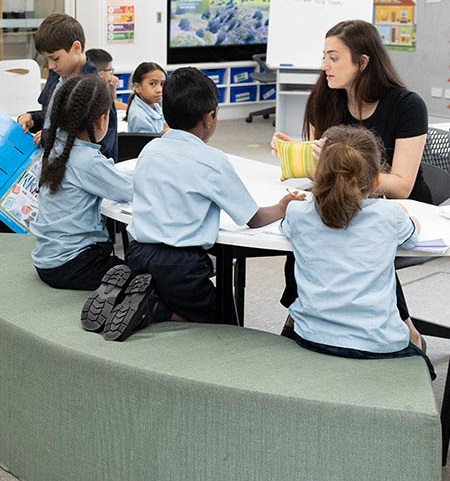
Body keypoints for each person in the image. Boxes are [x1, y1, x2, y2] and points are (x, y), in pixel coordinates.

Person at [85, 67, 302, 342]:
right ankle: (155, 309)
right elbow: (252, 218)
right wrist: (283, 206)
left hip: (138, 254)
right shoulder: (212, 160)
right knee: (225, 322)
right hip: (181, 266)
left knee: (186, 304)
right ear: (209, 117)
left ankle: (150, 301)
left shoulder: (150, 150)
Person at [272, 19, 430, 350]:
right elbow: (320, 173)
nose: (324, 66)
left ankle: (402, 324)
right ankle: (302, 314)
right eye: (324, 56)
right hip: (345, 200)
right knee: (313, 235)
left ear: (362, 62)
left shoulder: (407, 105)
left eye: (333, 57)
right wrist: (295, 153)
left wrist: (337, 169)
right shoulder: (325, 99)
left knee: (350, 238)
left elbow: (401, 185)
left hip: (400, 207)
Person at [280, 125, 435, 378]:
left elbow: (287, 228)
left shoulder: (298, 213)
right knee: (419, 356)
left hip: (310, 337)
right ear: (376, 180)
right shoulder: (389, 216)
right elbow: (411, 235)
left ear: (317, 173)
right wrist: (405, 216)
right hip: (377, 344)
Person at [30, 74, 133, 291]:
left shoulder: (56, 149)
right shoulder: (88, 162)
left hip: (46, 261)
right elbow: (128, 190)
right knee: (145, 278)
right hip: (76, 264)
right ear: (101, 119)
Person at [17, 13, 118, 161]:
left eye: (55, 58)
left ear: (76, 47)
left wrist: (52, 137)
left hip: (82, 174)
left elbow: (99, 139)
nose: (51, 65)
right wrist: (34, 118)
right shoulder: (59, 77)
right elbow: (59, 115)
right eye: (47, 59)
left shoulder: (94, 89)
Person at [125, 61, 168, 134]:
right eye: (152, 84)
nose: (159, 90)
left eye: (162, 84)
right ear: (137, 87)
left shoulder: (154, 104)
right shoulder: (139, 117)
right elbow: (146, 143)